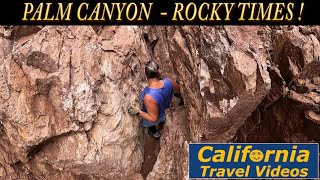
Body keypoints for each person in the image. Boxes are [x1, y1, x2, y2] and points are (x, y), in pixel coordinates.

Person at [127, 61, 182, 138]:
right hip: (165, 110)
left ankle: (156, 134)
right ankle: (162, 124)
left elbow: (153, 118)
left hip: (156, 117)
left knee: (149, 124)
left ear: (146, 74)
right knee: (162, 118)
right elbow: (178, 91)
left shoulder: (149, 96)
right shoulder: (169, 82)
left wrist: (138, 112)